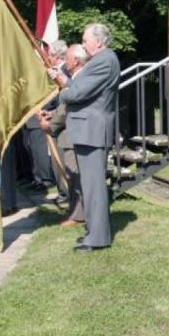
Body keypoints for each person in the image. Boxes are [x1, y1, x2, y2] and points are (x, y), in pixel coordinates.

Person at [54, 23, 120, 251]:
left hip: (92, 132)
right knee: (91, 186)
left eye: (85, 40)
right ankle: (94, 232)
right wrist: (68, 85)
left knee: (94, 188)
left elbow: (78, 93)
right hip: (89, 131)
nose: (83, 44)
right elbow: (81, 88)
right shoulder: (101, 60)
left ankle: (98, 238)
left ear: (99, 42)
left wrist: (65, 90)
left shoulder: (104, 61)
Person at [41, 43, 89, 227]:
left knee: (74, 176)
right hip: (70, 132)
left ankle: (77, 216)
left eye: (67, 58)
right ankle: (75, 213)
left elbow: (68, 106)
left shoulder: (75, 78)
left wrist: (51, 125)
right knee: (72, 175)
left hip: (73, 133)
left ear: (76, 60)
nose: (64, 62)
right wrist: (52, 115)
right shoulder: (74, 78)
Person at [22, 41, 68, 195]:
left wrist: (46, 109)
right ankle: (40, 180)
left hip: (54, 118)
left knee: (56, 157)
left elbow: (57, 94)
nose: (47, 57)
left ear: (56, 55)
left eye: (49, 55)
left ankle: (53, 184)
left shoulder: (62, 72)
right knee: (34, 150)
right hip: (45, 115)